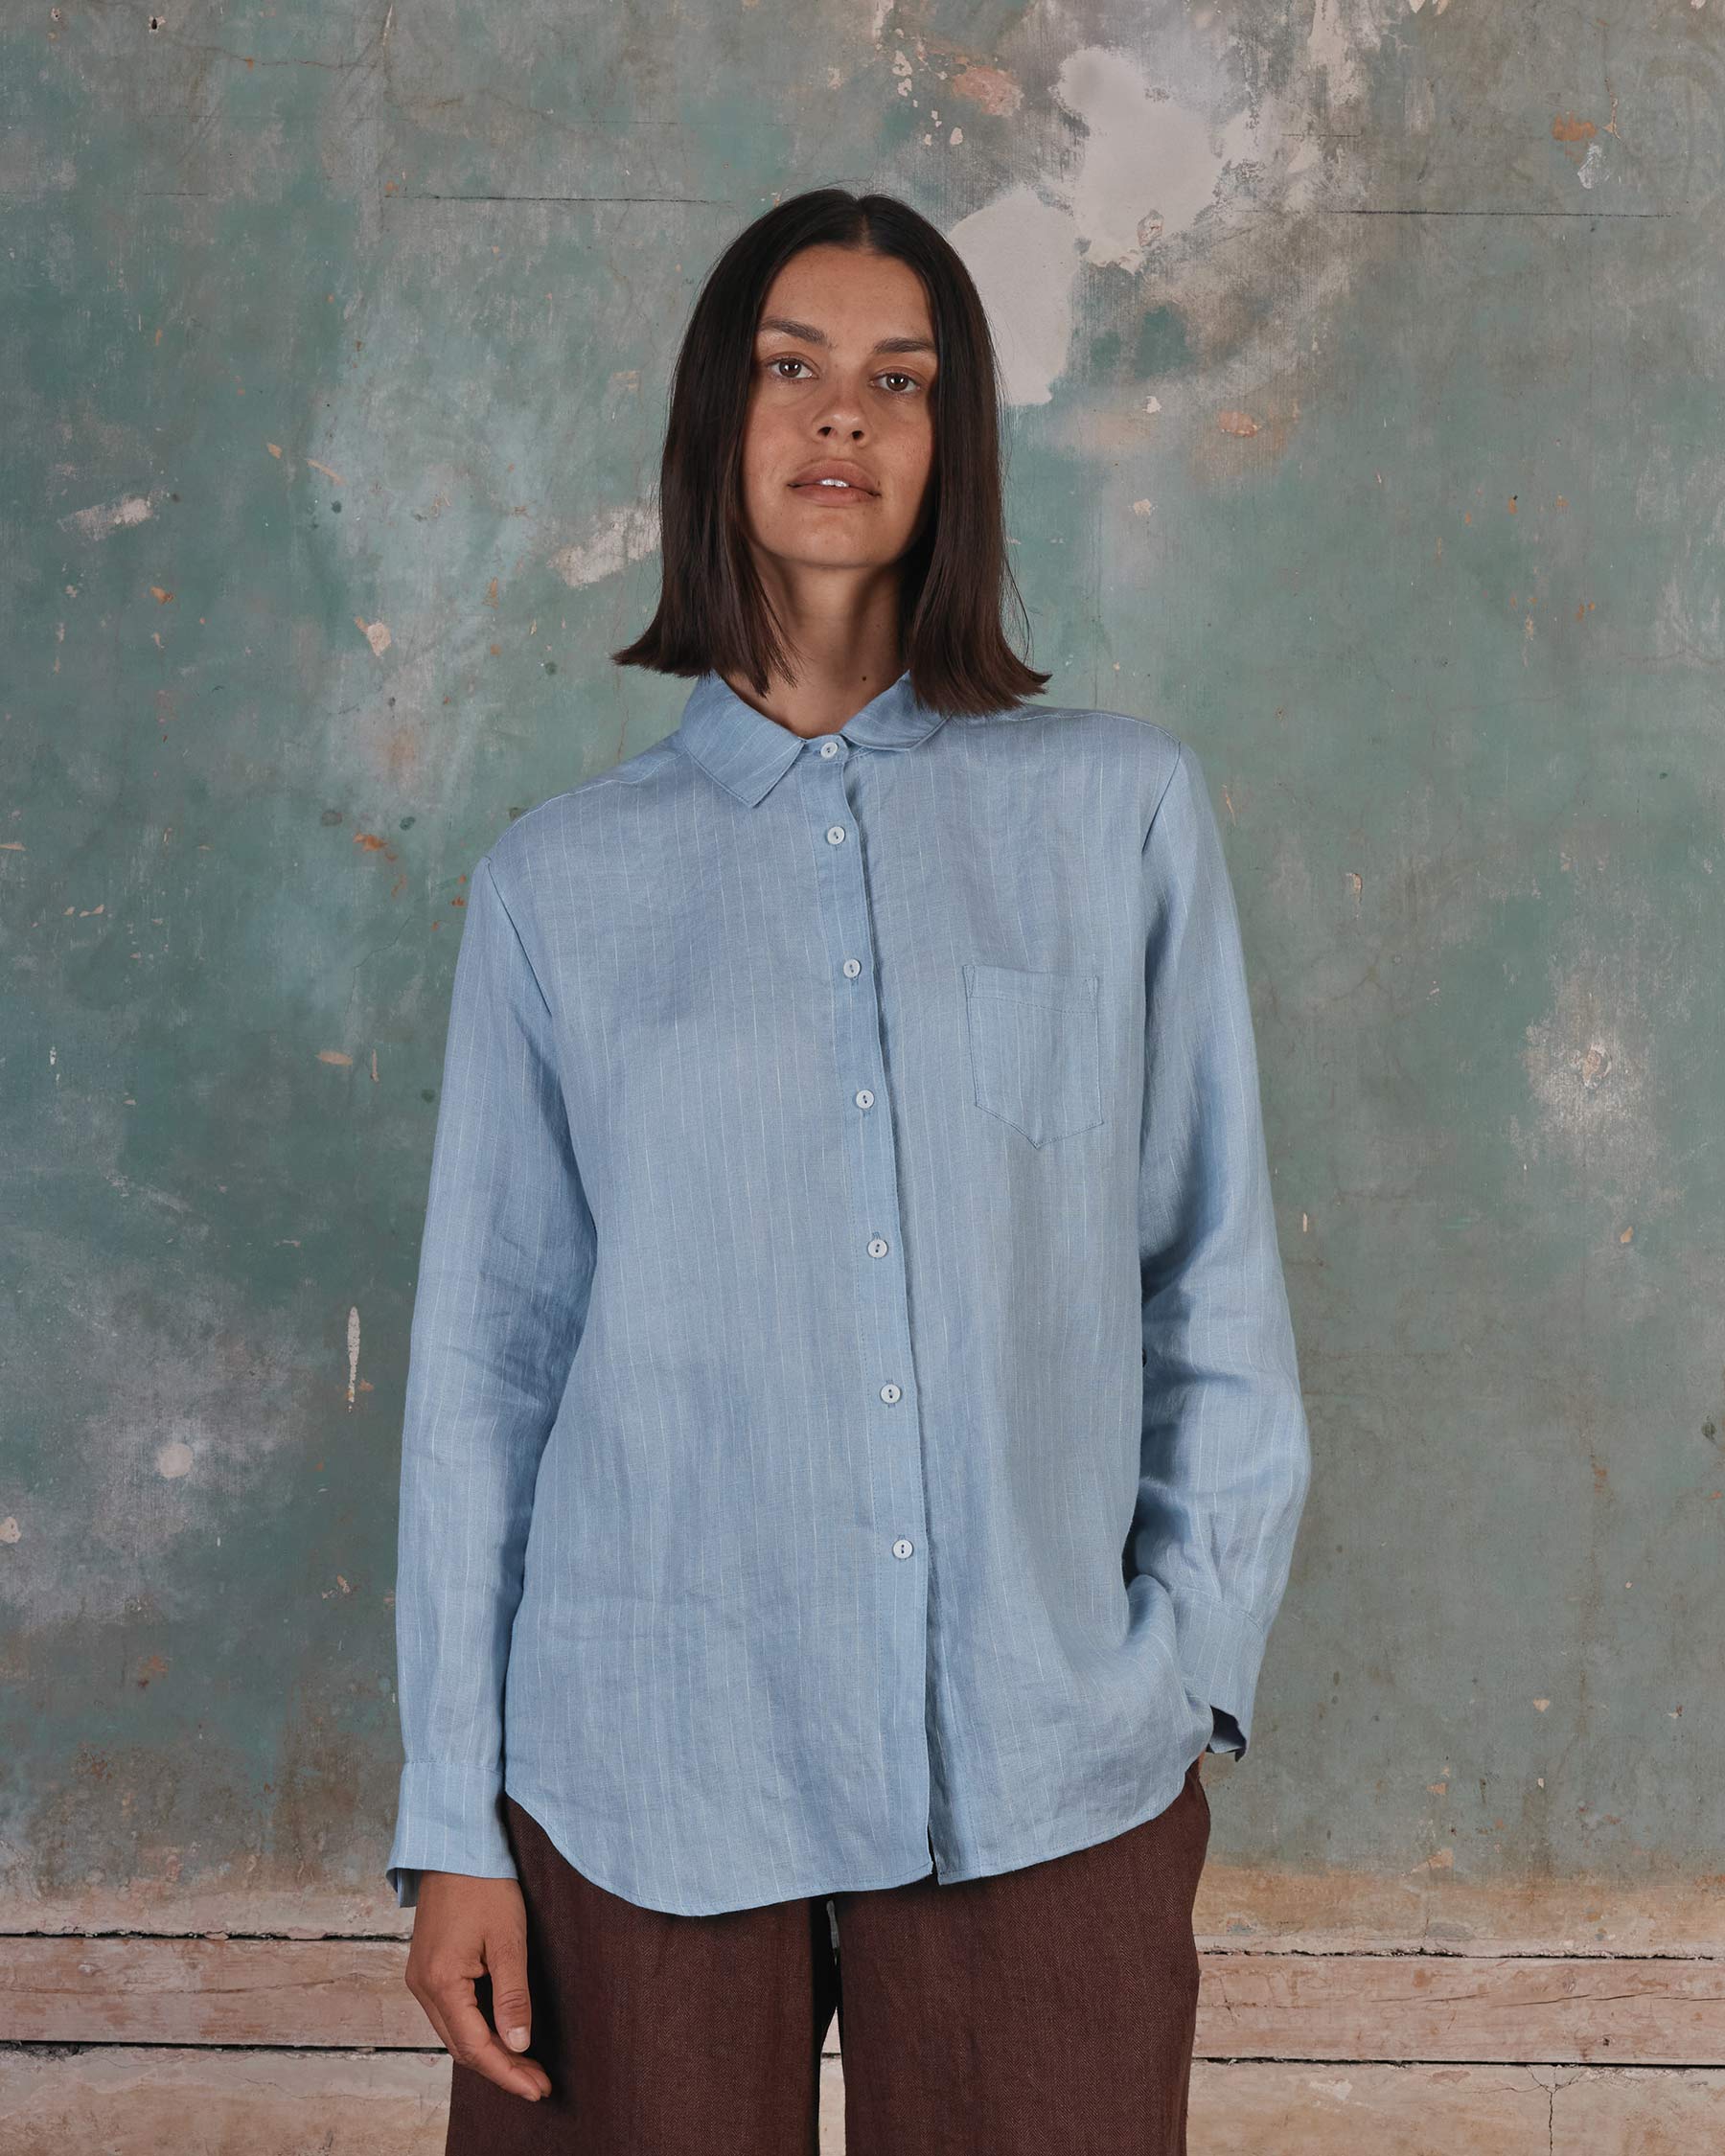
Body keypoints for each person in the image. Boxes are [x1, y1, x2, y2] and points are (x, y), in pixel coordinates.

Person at [387, 187, 1311, 2156]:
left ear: (954, 444)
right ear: (715, 420)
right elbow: (486, 1379)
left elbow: (1207, 1273)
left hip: (1047, 1765)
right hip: (637, 1772)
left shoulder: (1118, 816)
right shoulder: (559, 887)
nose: (841, 416)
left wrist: (1183, 1672)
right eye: (792, 367)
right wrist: (453, 1816)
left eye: (902, 380)